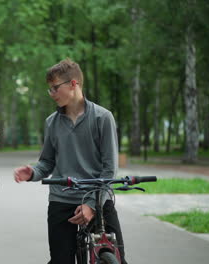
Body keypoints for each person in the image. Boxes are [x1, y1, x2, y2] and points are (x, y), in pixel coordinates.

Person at [13, 58, 127, 264]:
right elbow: (46, 162)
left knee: (119, 259)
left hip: (98, 198)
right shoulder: (52, 122)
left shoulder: (103, 117)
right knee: (60, 260)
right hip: (62, 200)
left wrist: (92, 205)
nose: (52, 94)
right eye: (50, 89)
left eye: (55, 88)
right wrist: (32, 172)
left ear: (73, 83)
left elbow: (110, 168)